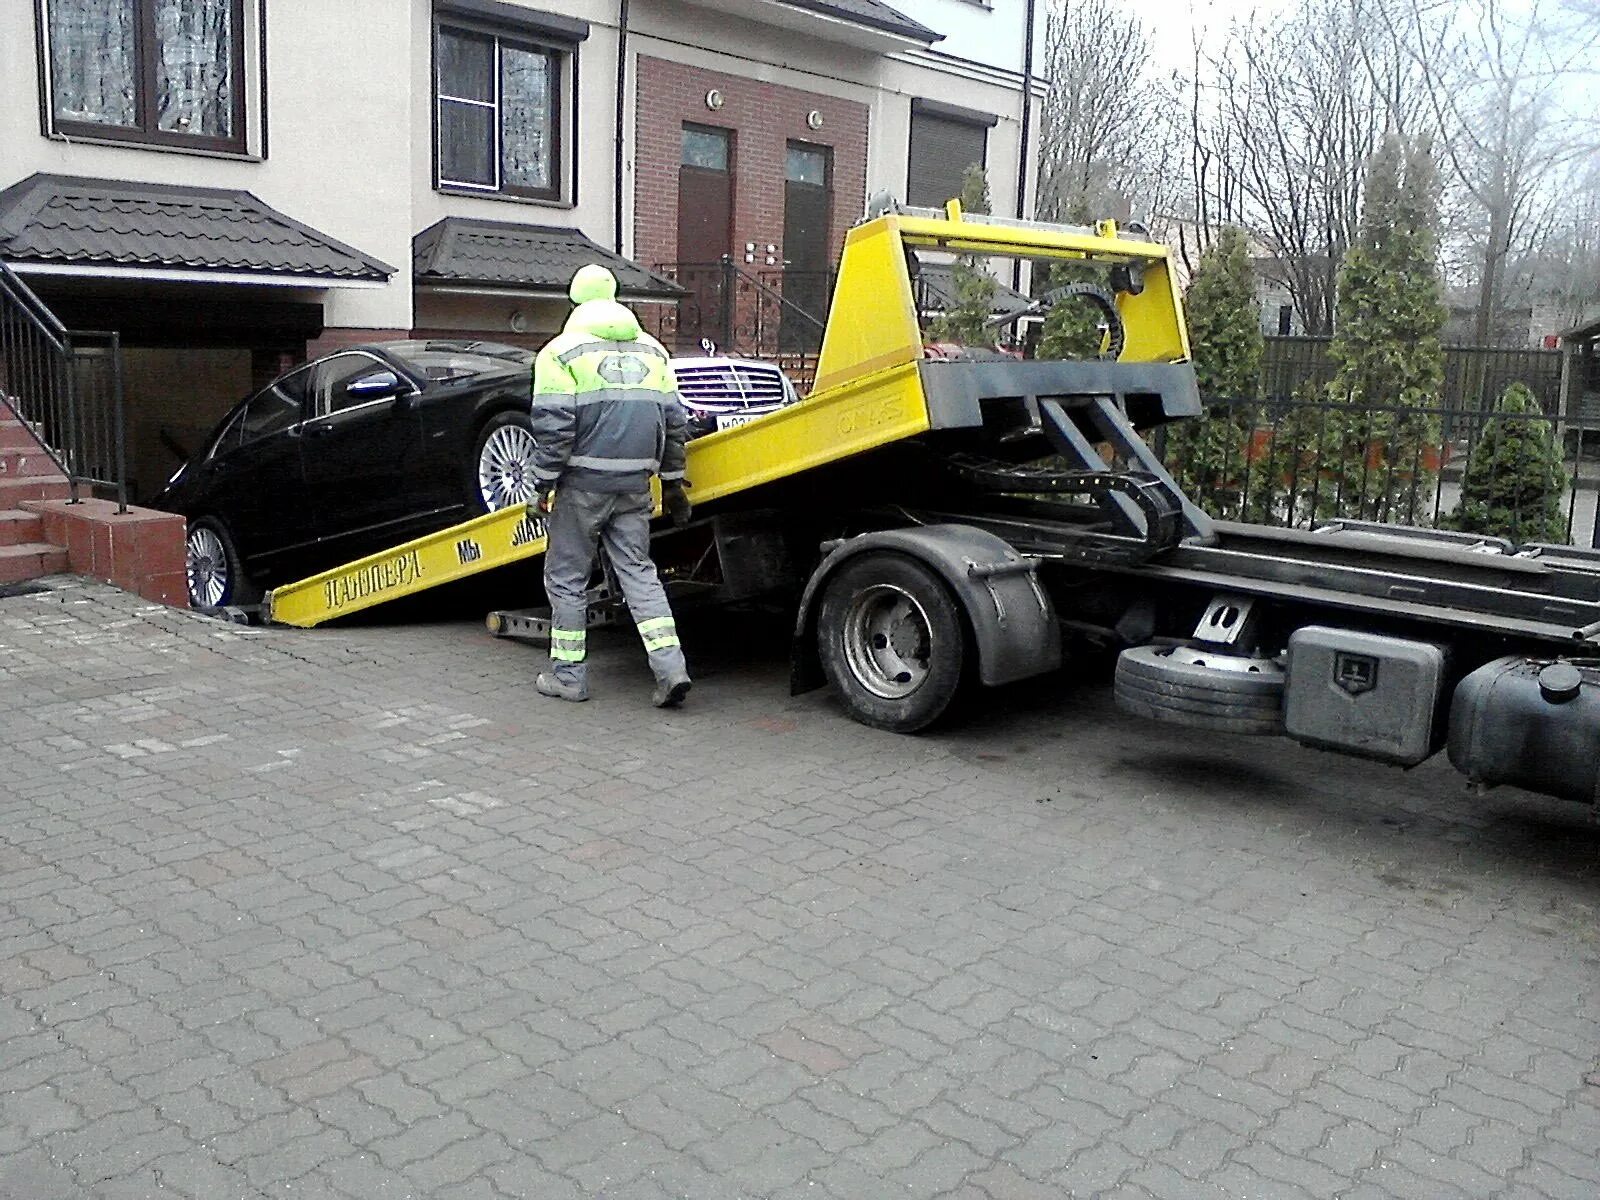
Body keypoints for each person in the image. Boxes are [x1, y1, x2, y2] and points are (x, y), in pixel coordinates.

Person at [527, 264, 694, 708]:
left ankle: (568, 676)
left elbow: (554, 427)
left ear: (576, 300)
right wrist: (674, 482)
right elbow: (675, 424)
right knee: (640, 574)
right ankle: (671, 669)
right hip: (635, 485)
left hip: (581, 486)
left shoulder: (560, 354)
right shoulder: (655, 353)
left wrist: (542, 485)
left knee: (566, 579)